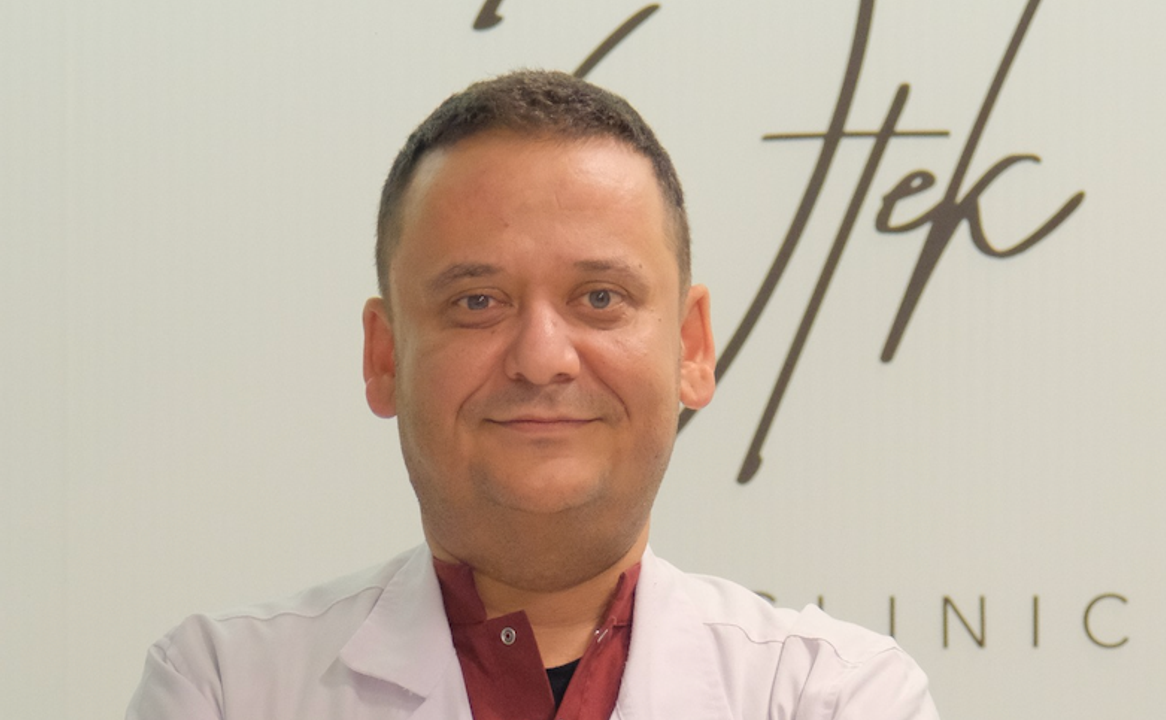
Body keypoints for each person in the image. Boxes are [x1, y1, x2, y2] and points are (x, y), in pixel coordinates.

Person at [126, 70, 939, 720]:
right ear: (384, 357)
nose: (542, 358)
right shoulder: (224, 689)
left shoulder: (836, 696)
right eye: (477, 302)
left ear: (691, 347)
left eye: (600, 298)